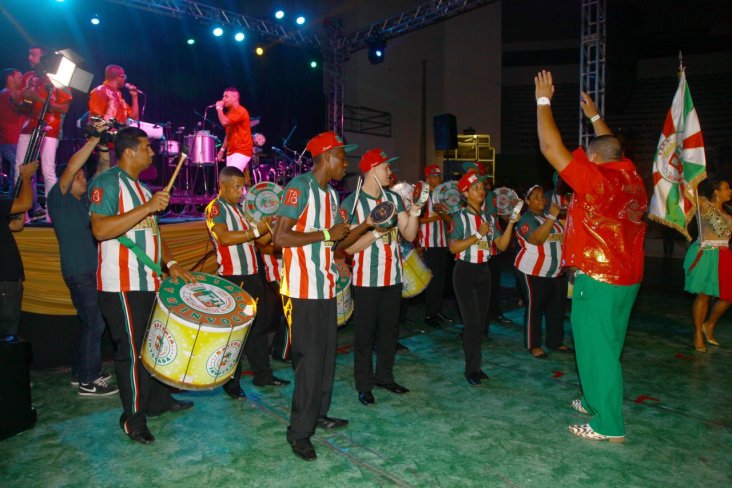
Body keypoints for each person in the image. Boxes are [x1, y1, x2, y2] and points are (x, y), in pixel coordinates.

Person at [535, 70, 647, 442]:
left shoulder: (597, 181)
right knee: (610, 342)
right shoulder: (630, 176)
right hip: (628, 277)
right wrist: (596, 116)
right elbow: (611, 147)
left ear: (596, 159)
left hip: (599, 277)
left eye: (589, 153)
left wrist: (543, 101)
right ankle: (594, 397)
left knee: (596, 348)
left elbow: (552, 150)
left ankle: (608, 425)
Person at [89, 126, 195, 444]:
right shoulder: (107, 182)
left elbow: (153, 235)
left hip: (148, 281)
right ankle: (133, 418)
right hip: (121, 284)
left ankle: (158, 401)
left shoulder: (143, 189)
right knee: (133, 354)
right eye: (147, 147)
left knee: (155, 347)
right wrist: (148, 208)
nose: (152, 152)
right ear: (129, 151)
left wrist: (172, 264)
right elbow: (100, 229)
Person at [272, 131, 369, 461]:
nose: (346, 163)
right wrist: (328, 233)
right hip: (303, 290)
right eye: (342, 156)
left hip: (325, 288)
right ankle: (299, 432)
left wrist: (368, 224)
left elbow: (337, 243)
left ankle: (318, 414)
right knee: (309, 363)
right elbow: (280, 237)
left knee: (326, 360)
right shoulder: (300, 187)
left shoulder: (329, 196)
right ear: (326, 157)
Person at [341, 148, 420, 406]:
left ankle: (385, 378)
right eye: (386, 167)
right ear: (373, 169)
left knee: (389, 332)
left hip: (393, 278)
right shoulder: (352, 203)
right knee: (364, 335)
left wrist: (416, 212)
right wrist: (376, 233)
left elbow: (409, 235)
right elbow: (348, 248)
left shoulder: (393, 199)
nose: (389, 172)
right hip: (366, 281)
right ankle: (364, 384)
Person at [205, 166, 289, 400]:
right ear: (222, 186)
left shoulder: (241, 209)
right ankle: (231, 383)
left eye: (242, 187)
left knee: (258, 328)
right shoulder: (216, 208)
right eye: (236, 187)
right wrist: (255, 230)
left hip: (253, 275)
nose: (241, 192)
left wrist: (271, 225)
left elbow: (260, 239)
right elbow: (224, 237)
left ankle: (263, 374)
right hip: (233, 279)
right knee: (235, 334)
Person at [47, 123, 118, 396]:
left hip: (88, 271)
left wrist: (102, 147)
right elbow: (70, 170)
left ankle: (81, 373)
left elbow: (101, 171)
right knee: (95, 323)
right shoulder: (59, 197)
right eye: (79, 177)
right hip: (80, 271)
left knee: (89, 322)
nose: (83, 179)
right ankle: (90, 380)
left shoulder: (84, 202)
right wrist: (92, 139)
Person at [449, 171, 518, 386]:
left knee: (480, 324)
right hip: (465, 272)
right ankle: (471, 369)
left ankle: (476, 366)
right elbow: (453, 247)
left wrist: (511, 224)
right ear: (465, 192)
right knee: (471, 323)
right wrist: (478, 235)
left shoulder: (488, 217)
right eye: (476, 188)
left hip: (484, 272)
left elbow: (502, 245)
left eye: (482, 187)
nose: (481, 191)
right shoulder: (459, 217)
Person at [514, 185, 572, 359]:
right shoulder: (526, 219)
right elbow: (537, 239)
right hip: (533, 272)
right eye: (535, 196)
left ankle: (555, 341)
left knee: (557, 309)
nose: (540, 199)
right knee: (535, 309)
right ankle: (534, 344)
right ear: (527, 201)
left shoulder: (549, 217)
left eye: (542, 196)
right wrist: (553, 216)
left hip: (556, 273)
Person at [15, 45, 73, 221]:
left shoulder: (58, 79)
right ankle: (21, 214)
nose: (29, 58)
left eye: (33, 55)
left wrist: (37, 99)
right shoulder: (28, 77)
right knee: (20, 168)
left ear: (44, 58)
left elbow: (64, 108)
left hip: (50, 129)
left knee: (47, 170)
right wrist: (22, 99)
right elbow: (23, 106)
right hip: (28, 127)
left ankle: (51, 214)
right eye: (29, 54)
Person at [683, 179, 732, 352]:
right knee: (704, 295)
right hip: (706, 254)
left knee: (727, 296)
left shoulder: (728, 212)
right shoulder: (703, 204)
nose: (730, 190)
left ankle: (709, 325)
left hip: (724, 254)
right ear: (716, 191)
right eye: (726, 188)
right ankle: (697, 332)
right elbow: (689, 191)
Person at [0, 160, 38, 340]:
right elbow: (25, 203)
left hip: (6, 280)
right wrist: (25, 176)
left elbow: (15, 225)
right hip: (5, 280)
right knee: (7, 336)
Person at [418, 164, 454, 327]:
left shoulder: (443, 196)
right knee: (432, 280)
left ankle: (436, 311)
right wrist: (434, 218)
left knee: (440, 280)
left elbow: (450, 222)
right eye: (434, 176)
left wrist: (443, 215)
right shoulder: (423, 196)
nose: (438, 179)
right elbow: (414, 219)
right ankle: (429, 315)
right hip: (429, 243)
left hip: (442, 243)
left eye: (439, 176)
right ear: (427, 178)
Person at [88, 64, 140, 174]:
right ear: (117, 77)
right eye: (124, 76)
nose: (125, 79)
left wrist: (134, 97)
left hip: (118, 145)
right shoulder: (100, 91)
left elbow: (134, 117)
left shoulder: (118, 95)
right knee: (102, 177)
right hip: (104, 145)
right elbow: (96, 119)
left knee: (115, 179)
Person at [215, 87, 254, 183]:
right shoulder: (229, 114)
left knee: (231, 178)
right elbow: (228, 134)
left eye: (226, 97)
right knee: (234, 181)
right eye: (223, 96)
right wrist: (222, 150)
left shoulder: (240, 111)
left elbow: (223, 122)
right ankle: (244, 196)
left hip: (242, 151)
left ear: (235, 98)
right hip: (231, 152)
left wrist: (219, 108)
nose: (223, 99)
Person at [0, 68, 25, 194]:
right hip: (8, 140)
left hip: (13, 139)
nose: (22, 80)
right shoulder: (7, 95)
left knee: (16, 169)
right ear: (10, 78)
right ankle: (15, 199)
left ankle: (12, 197)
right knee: (20, 167)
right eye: (19, 77)